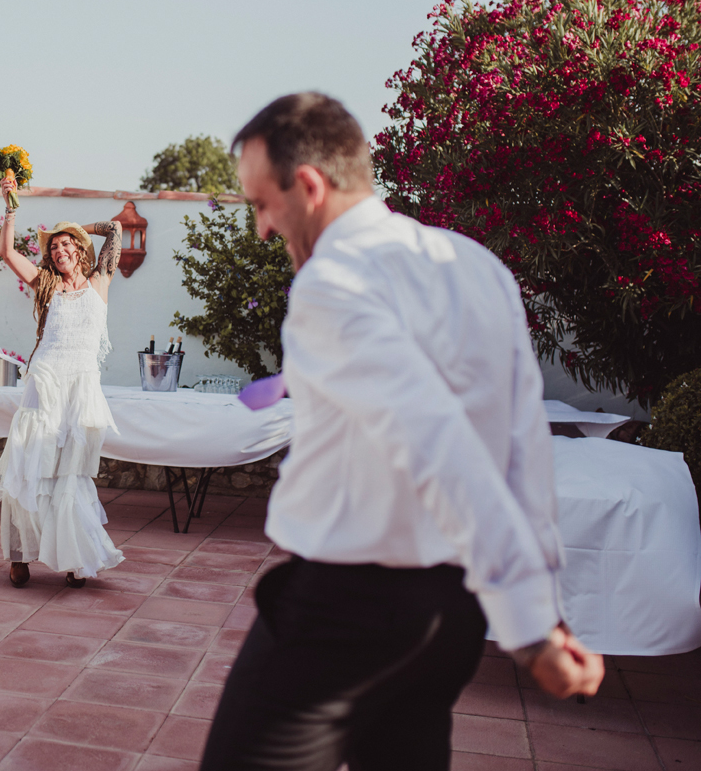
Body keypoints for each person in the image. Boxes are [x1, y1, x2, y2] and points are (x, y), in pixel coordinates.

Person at [200, 93, 605, 771]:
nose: (263, 229)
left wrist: (532, 628)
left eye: (262, 204)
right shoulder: (479, 267)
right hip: (449, 618)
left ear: (309, 185)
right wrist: (542, 600)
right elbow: (522, 450)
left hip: (342, 615)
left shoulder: (332, 281)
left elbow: (437, 444)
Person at [0, 175, 125, 588]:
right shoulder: (45, 284)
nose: (60, 249)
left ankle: (72, 556)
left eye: (68, 245)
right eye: (55, 246)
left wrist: (75, 228)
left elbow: (116, 229)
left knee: (71, 474)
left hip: (81, 386)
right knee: (30, 465)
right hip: (46, 380)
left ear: (81, 251)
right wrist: (10, 205)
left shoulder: (101, 280)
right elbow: (7, 251)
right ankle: (21, 556)